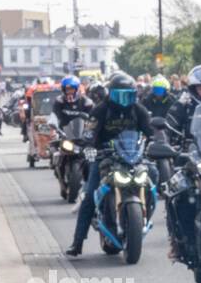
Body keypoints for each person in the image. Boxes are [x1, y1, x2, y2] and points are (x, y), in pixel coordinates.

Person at [65, 72, 153, 257]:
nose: (123, 100)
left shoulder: (139, 110)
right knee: (90, 195)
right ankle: (77, 242)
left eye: (127, 95)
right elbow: (89, 134)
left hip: (133, 157)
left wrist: (155, 145)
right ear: (110, 94)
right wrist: (89, 147)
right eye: (119, 95)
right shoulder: (100, 110)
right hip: (105, 157)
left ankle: (147, 216)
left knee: (154, 177)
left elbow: (150, 132)